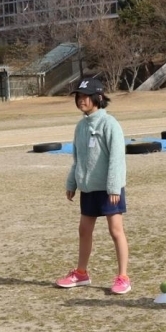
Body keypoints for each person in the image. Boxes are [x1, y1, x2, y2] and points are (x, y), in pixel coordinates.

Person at [56, 78, 130, 294]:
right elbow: (77, 159)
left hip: (109, 190)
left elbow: (117, 158)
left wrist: (114, 187)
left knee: (115, 231)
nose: (81, 100)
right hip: (88, 188)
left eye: (85, 96)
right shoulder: (81, 126)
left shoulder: (110, 124)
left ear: (98, 98)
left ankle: (123, 277)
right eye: (78, 97)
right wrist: (72, 183)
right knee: (84, 230)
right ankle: (81, 273)